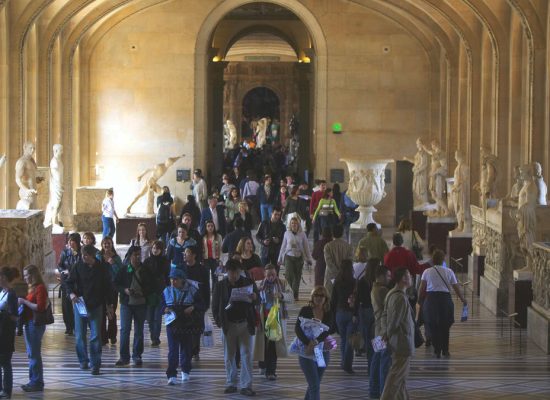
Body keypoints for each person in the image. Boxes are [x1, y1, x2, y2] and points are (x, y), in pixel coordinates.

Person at [65, 245, 116, 375]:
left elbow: (108, 287)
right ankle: (83, 360)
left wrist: (109, 305)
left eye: (86, 255)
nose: (83, 257)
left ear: (92, 256)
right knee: (80, 336)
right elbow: (69, 282)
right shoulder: (78, 266)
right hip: (80, 304)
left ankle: (95, 364)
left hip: (96, 305)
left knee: (95, 336)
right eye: (82, 255)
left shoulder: (102, 268)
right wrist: (71, 294)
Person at [212, 259, 259, 397]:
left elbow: (258, 300)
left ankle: (246, 385)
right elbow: (215, 306)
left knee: (247, 355)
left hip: (245, 323)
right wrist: (220, 322)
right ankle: (231, 383)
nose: (234, 275)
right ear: (227, 272)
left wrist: (255, 297)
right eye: (232, 272)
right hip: (229, 324)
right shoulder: (220, 286)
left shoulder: (248, 282)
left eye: (237, 272)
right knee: (229, 356)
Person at [418, 250, 467, 358]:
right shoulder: (449, 271)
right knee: (445, 325)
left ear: (433, 260)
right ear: (443, 260)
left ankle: (437, 349)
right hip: (445, 300)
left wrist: (420, 300)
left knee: (433, 324)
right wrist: (463, 299)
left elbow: (422, 288)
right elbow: (456, 288)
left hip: (431, 300)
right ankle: (445, 350)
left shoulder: (427, 271)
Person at [162, 268, 205, 384]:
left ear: (182, 279)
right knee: (173, 350)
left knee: (186, 349)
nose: (172, 281)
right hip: (172, 324)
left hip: (187, 323)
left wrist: (193, 307)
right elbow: (161, 305)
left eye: (175, 279)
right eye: (171, 279)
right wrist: (164, 309)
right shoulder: (166, 291)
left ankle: (185, 371)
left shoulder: (192, 290)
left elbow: (202, 304)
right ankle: (171, 375)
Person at [114, 245, 154, 367]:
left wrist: (143, 292)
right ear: (130, 256)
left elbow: (151, 286)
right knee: (125, 330)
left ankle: (137, 356)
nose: (137, 257)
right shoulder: (124, 269)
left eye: (139, 255)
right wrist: (125, 290)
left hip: (141, 304)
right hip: (127, 304)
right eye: (135, 255)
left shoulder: (145, 270)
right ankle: (124, 357)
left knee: (139, 331)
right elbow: (115, 284)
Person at [254, 264, 293, 380]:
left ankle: (271, 371)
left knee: (272, 345)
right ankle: (262, 364)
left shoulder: (283, 283)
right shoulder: (259, 284)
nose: (271, 277)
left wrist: (281, 295)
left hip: (276, 318)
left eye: (273, 274)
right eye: (269, 274)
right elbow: (253, 298)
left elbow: (291, 296)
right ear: (264, 274)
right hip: (262, 317)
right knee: (262, 343)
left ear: (276, 274)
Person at [380, 268, 415, 400]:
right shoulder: (399, 297)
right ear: (403, 279)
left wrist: (385, 332)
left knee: (401, 379)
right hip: (402, 343)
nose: (411, 277)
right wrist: (387, 334)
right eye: (409, 275)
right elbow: (394, 321)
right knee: (395, 378)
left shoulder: (391, 293)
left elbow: (384, 315)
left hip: (397, 341)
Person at [295, 286, 334, 400]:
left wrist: (315, 342)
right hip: (306, 350)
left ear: (325, 298)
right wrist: (309, 343)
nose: (319, 298)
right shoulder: (305, 310)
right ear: (312, 297)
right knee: (314, 385)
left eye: (322, 295)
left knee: (315, 383)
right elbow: (298, 329)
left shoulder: (328, 312)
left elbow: (328, 330)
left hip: (321, 352)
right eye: (316, 295)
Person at [18, 265, 49, 391]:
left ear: (34, 274)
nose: (25, 278)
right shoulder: (33, 288)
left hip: (35, 324)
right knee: (31, 353)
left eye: (27, 275)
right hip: (29, 323)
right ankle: (33, 380)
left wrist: (25, 302)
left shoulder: (40, 288)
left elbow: (40, 307)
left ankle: (36, 382)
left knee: (34, 354)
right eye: (24, 275)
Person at [180, 246, 209, 362]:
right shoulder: (181, 268)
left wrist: (206, 304)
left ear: (194, 255)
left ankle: (195, 350)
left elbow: (206, 287)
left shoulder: (202, 269)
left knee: (197, 328)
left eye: (187, 253)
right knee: (185, 328)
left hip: (198, 302)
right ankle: (187, 350)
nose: (185, 255)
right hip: (184, 302)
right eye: (184, 253)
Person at [330, 259, 357, 374]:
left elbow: (333, 300)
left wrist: (332, 315)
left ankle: (343, 361)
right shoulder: (354, 282)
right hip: (351, 313)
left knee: (343, 339)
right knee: (349, 340)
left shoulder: (337, 282)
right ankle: (347, 364)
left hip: (339, 313)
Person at [278, 216, 313, 301]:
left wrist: (309, 259)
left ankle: (295, 294)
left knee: (297, 277)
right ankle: (292, 292)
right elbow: (283, 246)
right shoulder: (287, 233)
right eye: (292, 223)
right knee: (289, 275)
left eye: (296, 223)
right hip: (288, 257)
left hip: (299, 257)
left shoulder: (302, 234)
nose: (294, 225)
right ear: (290, 224)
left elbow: (306, 247)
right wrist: (280, 258)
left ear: (298, 224)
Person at [370, 265, 392, 399]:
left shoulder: (374, 288)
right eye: (388, 276)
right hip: (383, 331)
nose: (390, 278)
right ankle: (383, 392)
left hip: (377, 329)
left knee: (376, 360)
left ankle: (373, 390)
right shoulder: (383, 290)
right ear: (382, 276)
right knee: (384, 362)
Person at [144, 240, 170, 347]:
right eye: (154, 248)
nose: (155, 250)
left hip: (160, 291)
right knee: (149, 317)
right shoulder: (147, 261)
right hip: (149, 292)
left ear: (161, 250)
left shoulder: (164, 261)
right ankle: (152, 335)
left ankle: (156, 337)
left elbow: (167, 276)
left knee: (157, 317)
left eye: (157, 249)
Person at [97, 236, 123, 346]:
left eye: (108, 243)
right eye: (104, 244)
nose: (106, 245)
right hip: (101, 288)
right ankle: (103, 337)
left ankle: (112, 336)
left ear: (112, 244)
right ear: (102, 245)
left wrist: (112, 263)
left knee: (111, 311)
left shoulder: (116, 258)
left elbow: (120, 273)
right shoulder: (98, 256)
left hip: (112, 288)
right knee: (102, 313)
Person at [56, 232, 82, 335]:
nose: (71, 244)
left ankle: (79, 325)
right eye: (70, 241)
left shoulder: (81, 252)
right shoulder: (65, 252)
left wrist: (70, 270)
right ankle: (69, 326)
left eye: (74, 241)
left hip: (78, 281)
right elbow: (60, 265)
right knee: (66, 305)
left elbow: (81, 266)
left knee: (79, 302)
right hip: (66, 281)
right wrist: (63, 271)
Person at [0, 267, 19, 399]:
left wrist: (3, 314)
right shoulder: (1, 292)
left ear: (4, 278)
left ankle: (7, 390)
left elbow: (15, 317)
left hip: (6, 333)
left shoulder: (12, 294)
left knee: (5, 362)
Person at [323, 224, 354, 297]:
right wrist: (342, 272)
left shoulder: (328, 246)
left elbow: (329, 262)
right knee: (343, 297)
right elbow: (350, 261)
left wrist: (336, 273)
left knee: (330, 297)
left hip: (331, 276)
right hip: (345, 276)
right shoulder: (349, 246)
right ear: (342, 233)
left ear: (332, 233)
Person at [202, 220, 223, 286]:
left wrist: (220, 260)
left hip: (215, 259)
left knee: (215, 277)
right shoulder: (203, 237)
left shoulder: (218, 236)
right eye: (208, 226)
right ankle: (207, 292)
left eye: (212, 226)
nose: (210, 227)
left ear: (214, 227)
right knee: (206, 277)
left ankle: (215, 292)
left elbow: (221, 249)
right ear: (206, 227)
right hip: (205, 260)